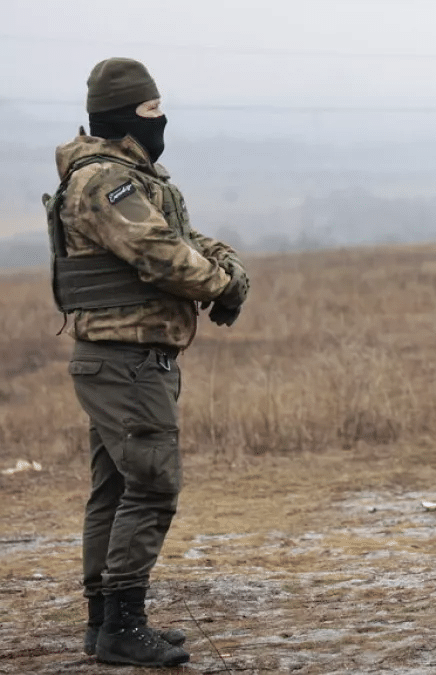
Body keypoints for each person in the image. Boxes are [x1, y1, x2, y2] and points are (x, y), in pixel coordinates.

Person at [46, 57, 250, 667]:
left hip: (123, 360)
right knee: (153, 486)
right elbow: (162, 254)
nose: (164, 121)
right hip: (125, 360)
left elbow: (181, 239)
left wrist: (224, 266)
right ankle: (121, 625)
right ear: (125, 116)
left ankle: (105, 622)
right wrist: (222, 285)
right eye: (153, 111)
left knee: (114, 491)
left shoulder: (129, 179)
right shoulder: (105, 183)